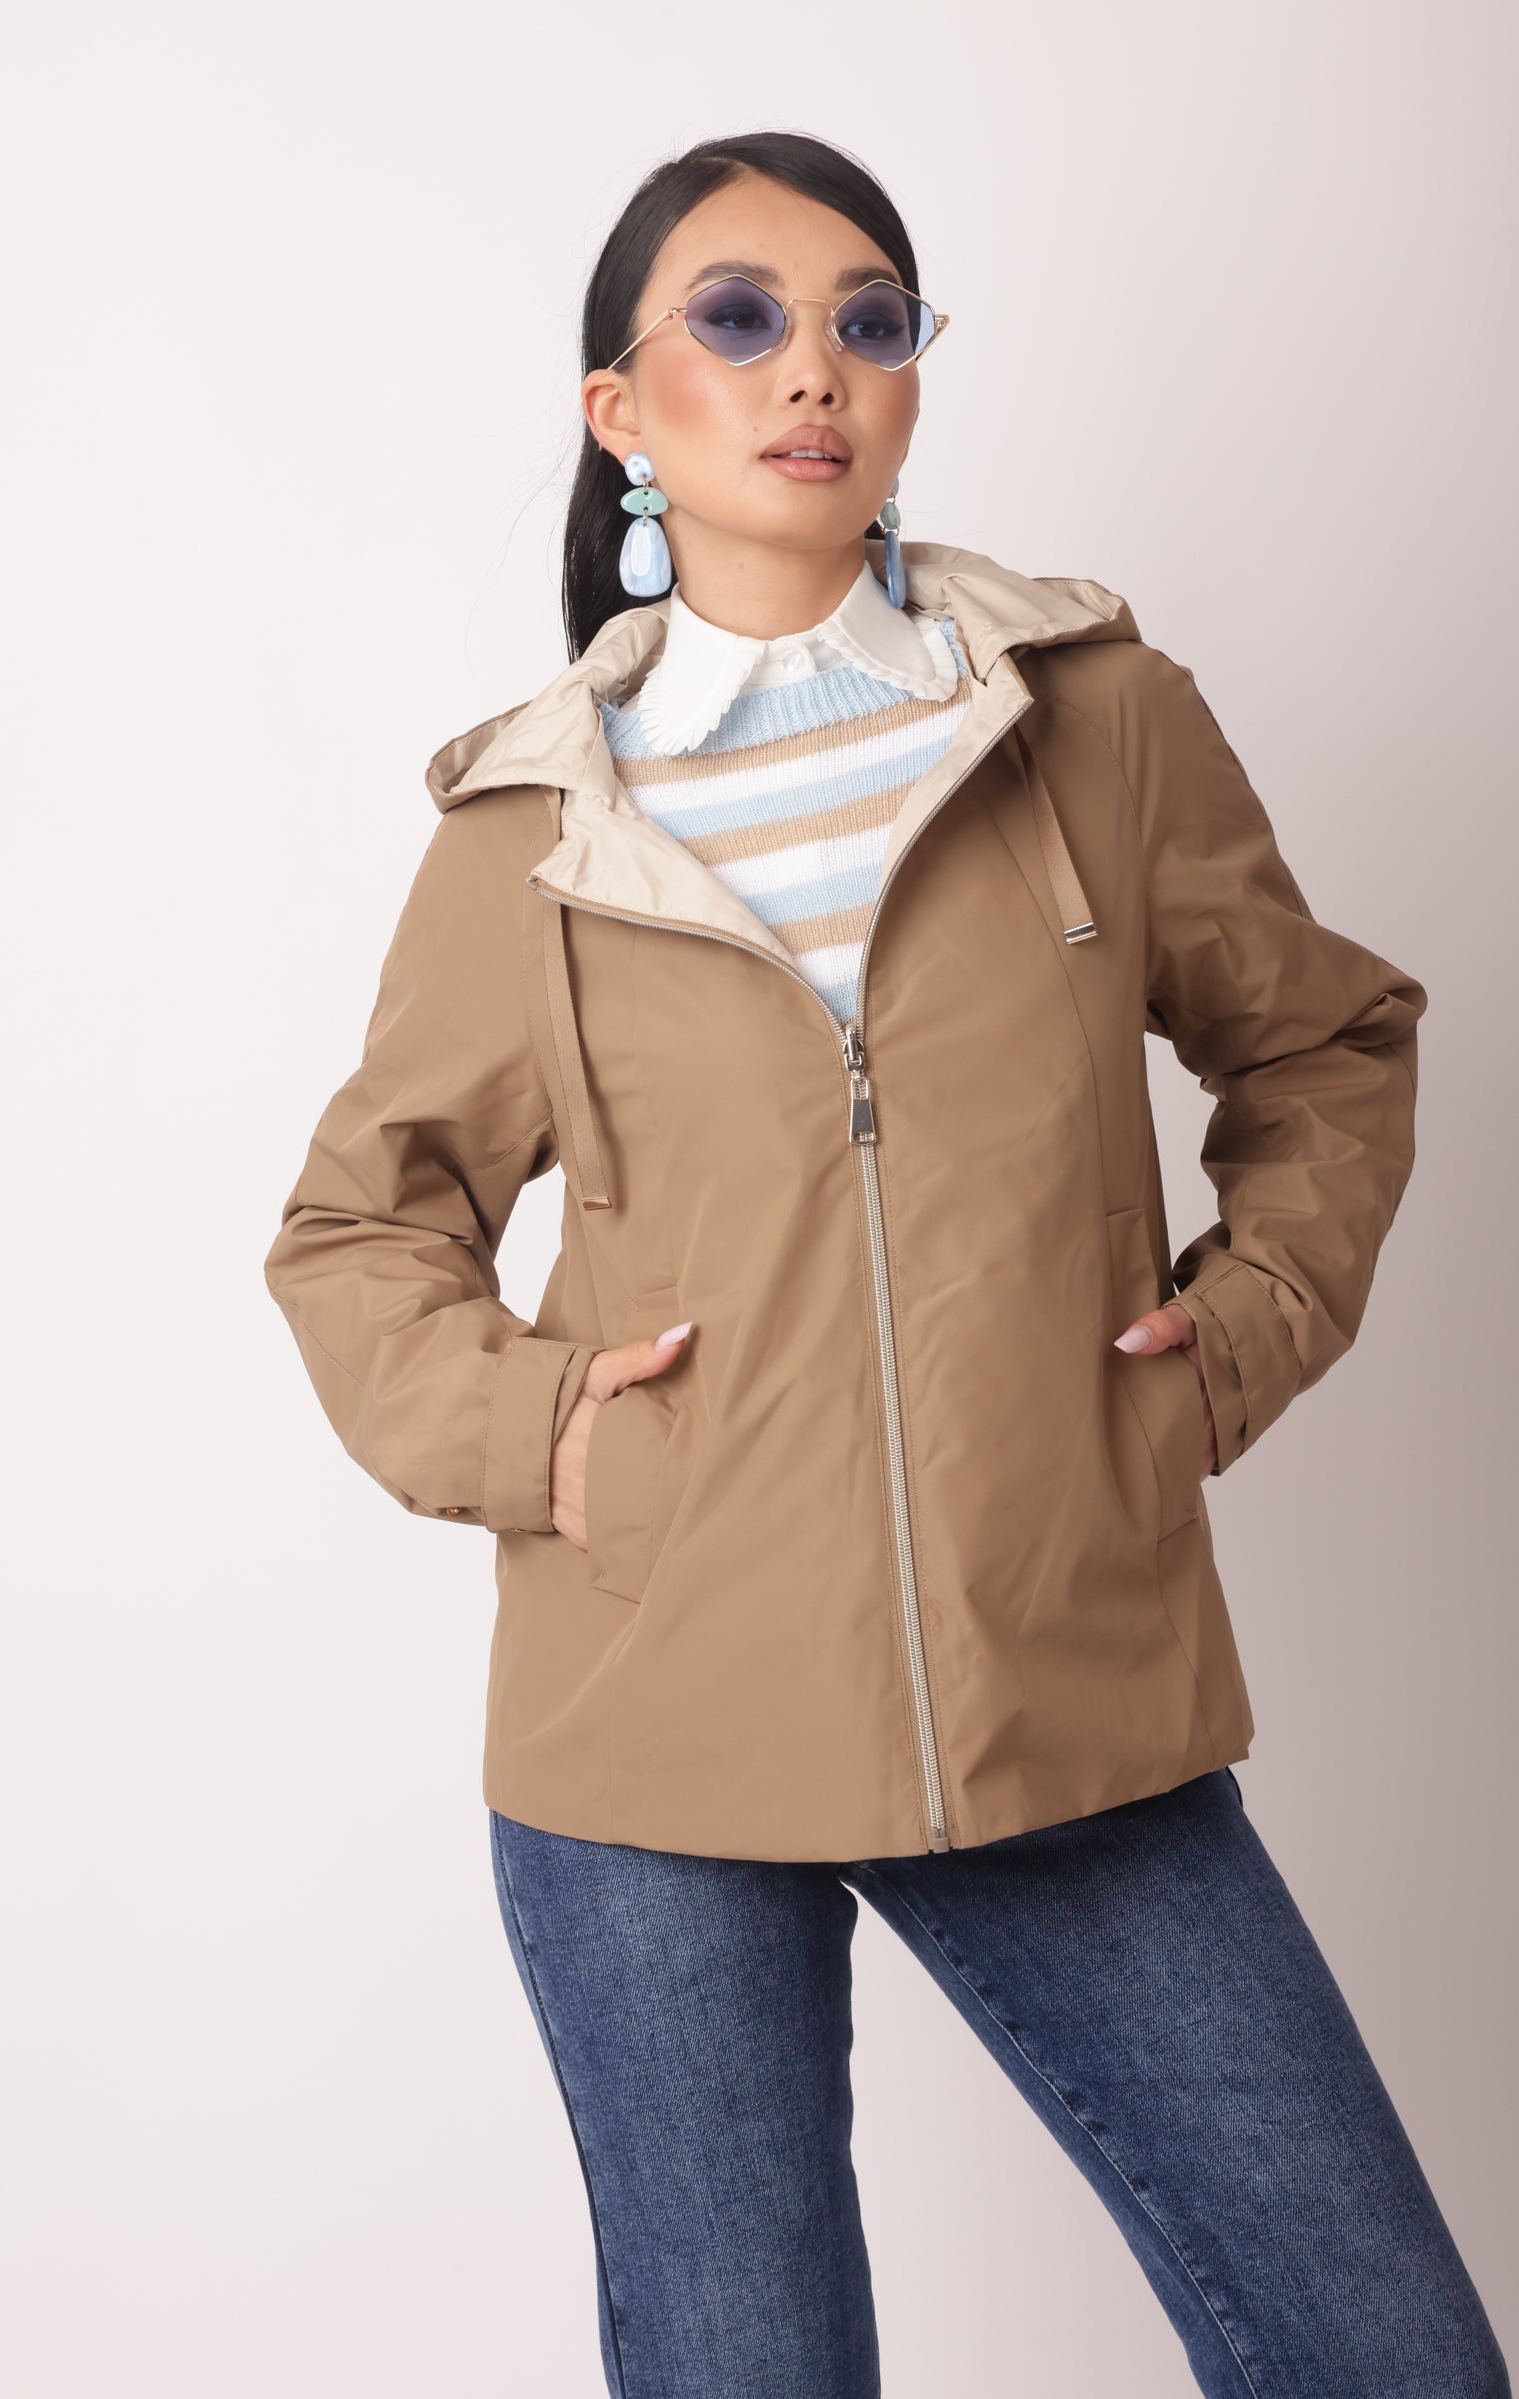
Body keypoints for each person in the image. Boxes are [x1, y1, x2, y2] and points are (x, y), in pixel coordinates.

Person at [262, 131, 1509, 2399]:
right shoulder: (529, 828)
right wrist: (553, 1442)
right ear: (621, 414)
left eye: (868, 317)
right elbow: (362, 1226)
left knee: (1384, 2350)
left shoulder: (1088, 722)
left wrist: (1229, 1347)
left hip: (1061, 1668)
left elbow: (1326, 1044)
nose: (811, 366)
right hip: (647, 1732)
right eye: (737, 319)